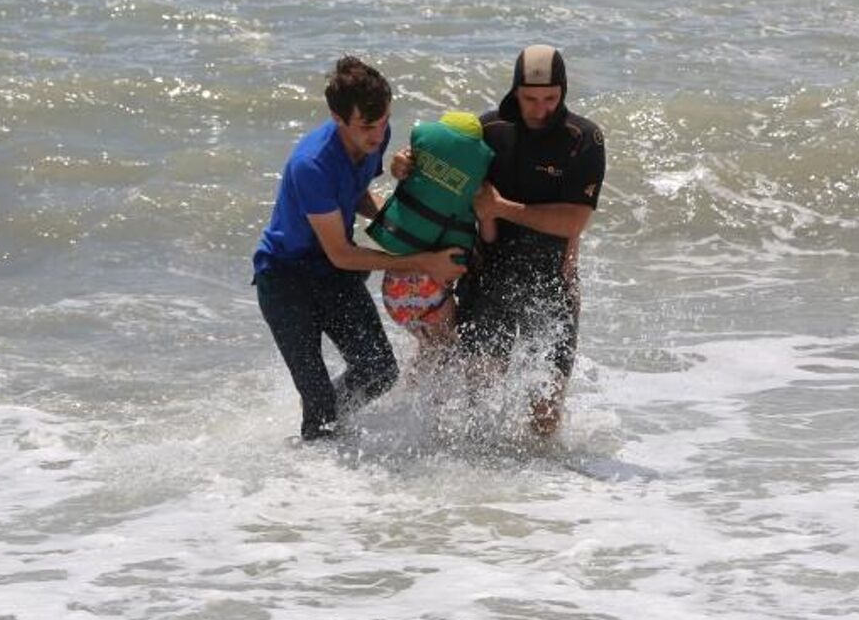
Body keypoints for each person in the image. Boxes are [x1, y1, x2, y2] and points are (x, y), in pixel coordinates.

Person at [252, 56, 465, 441]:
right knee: (319, 403)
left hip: (332, 275)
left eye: (384, 121)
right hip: (286, 283)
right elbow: (343, 253)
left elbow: (355, 189)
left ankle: (329, 431)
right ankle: (314, 474)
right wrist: (423, 261)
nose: (378, 134)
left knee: (379, 370)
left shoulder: (376, 132)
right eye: (367, 126)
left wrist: (395, 223)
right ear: (338, 118)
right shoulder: (311, 165)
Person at [455, 44, 605, 436]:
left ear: (564, 92)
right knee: (476, 402)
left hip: (552, 282)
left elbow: (574, 220)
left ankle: (546, 496)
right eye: (530, 99)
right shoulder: (487, 131)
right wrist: (406, 163)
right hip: (489, 278)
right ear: (515, 91)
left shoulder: (584, 139)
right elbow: (436, 164)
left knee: (546, 408)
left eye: (551, 99)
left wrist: (503, 208)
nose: (541, 109)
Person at [366, 111, 494, 364]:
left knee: (430, 352)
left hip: (395, 291)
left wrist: (397, 165)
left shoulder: (413, 164)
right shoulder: (476, 186)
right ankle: (424, 404)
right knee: (446, 355)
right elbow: (488, 235)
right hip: (431, 289)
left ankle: (405, 401)